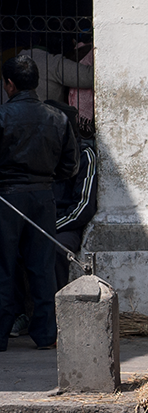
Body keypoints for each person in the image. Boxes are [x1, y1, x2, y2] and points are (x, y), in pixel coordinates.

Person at [0, 55, 79, 351]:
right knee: (42, 267)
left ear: (9, 85)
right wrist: (45, 180)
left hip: (6, 199)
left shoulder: (2, 117)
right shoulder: (57, 118)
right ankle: (46, 335)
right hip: (43, 197)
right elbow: (70, 166)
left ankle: (2, 334)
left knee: (3, 267)